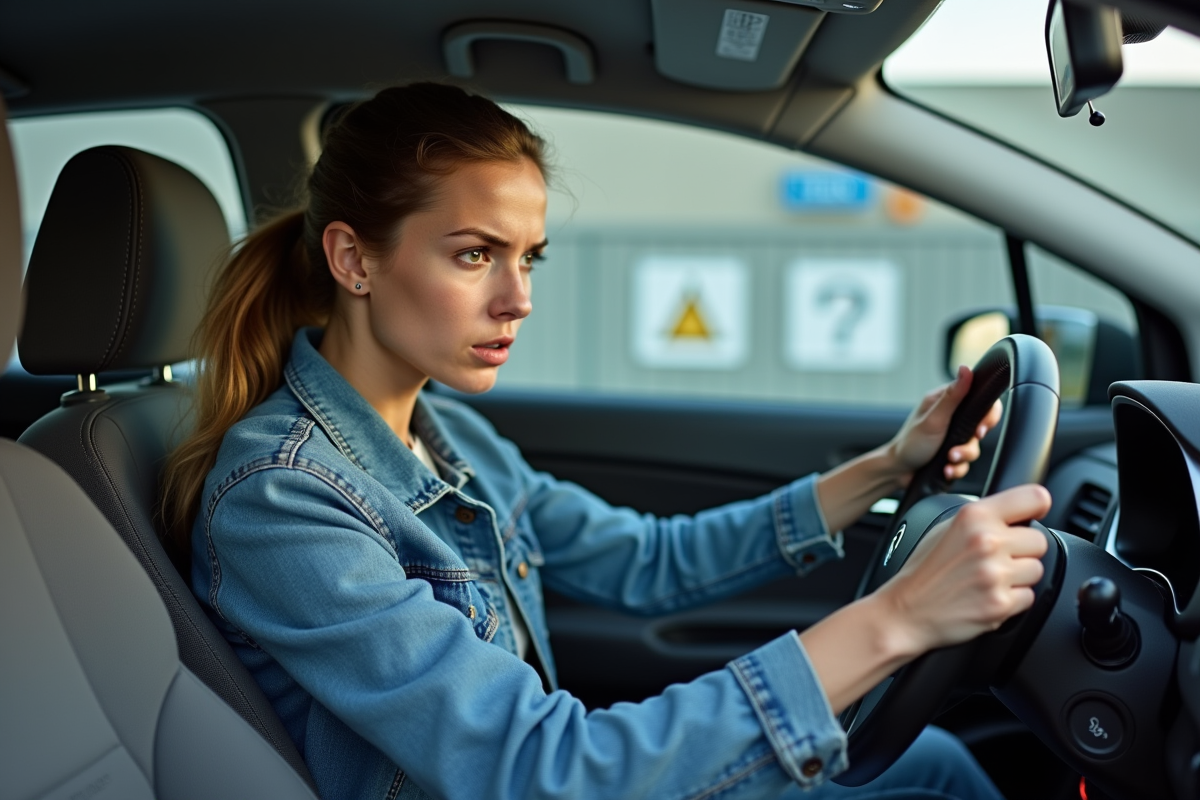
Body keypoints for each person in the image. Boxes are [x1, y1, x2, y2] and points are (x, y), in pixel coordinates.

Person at [162, 83, 1050, 800]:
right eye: (475, 254)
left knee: (931, 765)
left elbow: (647, 561)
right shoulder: (282, 499)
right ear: (354, 260)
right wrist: (898, 620)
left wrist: (885, 468)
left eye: (530, 257)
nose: (519, 298)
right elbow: (538, 770)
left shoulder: (450, 434)